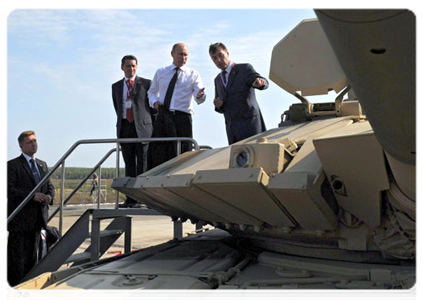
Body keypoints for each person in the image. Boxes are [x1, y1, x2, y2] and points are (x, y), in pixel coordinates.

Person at [5, 130, 55, 289]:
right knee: (16, 262)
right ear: (21, 146)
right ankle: (11, 290)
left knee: (33, 260)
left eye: (35, 141)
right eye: (29, 142)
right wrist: (31, 196)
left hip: (37, 221)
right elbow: (7, 189)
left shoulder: (42, 164)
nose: (33, 144)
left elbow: (50, 186)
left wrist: (49, 197)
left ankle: (29, 289)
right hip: (20, 222)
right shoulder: (13, 165)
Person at [148, 43, 206, 167]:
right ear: (172, 54)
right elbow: (152, 92)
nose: (183, 58)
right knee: (160, 153)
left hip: (183, 118)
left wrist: (201, 96)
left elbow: (199, 95)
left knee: (183, 154)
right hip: (163, 116)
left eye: (186, 55)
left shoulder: (193, 74)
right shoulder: (161, 72)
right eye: (180, 54)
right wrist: (154, 102)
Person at [112, 55, 154, 208]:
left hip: (142, 128)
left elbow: (151, 107)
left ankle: (143, 197)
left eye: (133, 66)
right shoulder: (116, 87)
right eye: (128, 66)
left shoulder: (146, 84)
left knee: (142, 163)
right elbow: (118, 107)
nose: (131, 69)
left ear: (137, 67)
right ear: (122, 67)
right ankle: (130, 198)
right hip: (125, 127)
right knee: (129, 163)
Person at [209, 42, 268, 144]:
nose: (218, 60)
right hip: (232, 130)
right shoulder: (217, 80)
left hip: (250, 126)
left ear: (227, 53)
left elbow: (261, 81)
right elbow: (220, 104)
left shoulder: (244, 69)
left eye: (220, 55)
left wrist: (260, 83)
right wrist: (218, 105)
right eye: (214, 58)